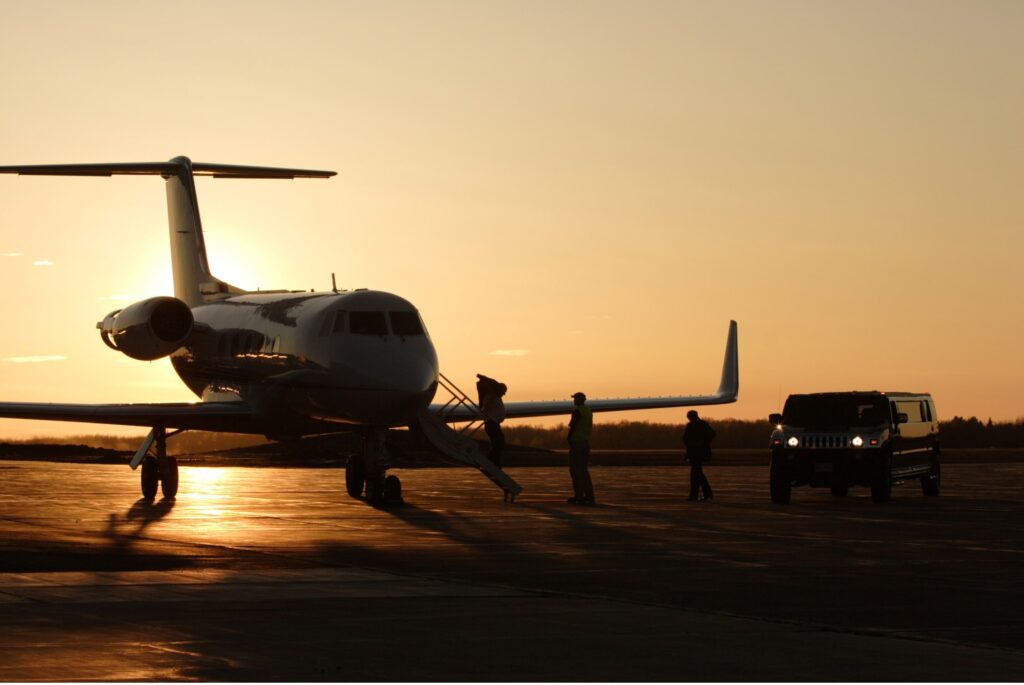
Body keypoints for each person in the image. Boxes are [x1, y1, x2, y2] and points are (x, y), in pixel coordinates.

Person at [566, 391, 595, 505]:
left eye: (574, 399)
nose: (573, 401)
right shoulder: (589, 411)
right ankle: (589, 495)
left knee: (575, 470)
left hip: (577, 443)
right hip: (585, 443)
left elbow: (573, 426)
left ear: (578, 400)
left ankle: (579, 495)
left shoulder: (577, 411)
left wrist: (568, 438)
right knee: (583, 470)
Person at [475, 373, 507, 468]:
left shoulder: (495, 397)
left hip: (494, 423)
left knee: (498, 443)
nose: (504, 394)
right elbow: (486, 407)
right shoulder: (491, 397)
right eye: (504, 391)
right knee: (499, 443)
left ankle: (494, 462)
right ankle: (491, 461)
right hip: (491, 423)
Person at [683, 409, 715, 501]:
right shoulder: (689, 425)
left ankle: (696, 495)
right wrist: (689, 443)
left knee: (695, 474)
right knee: (698, 474)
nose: (689, 419)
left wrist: (703, 442)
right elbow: (685, 438)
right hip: (693, 452)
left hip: (700, 452)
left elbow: (712, 434)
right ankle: (706, 494)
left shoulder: (703, 424)